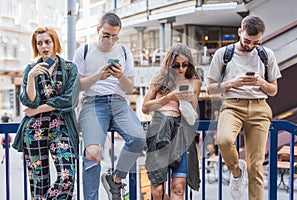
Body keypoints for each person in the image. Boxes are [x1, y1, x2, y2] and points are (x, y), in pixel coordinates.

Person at [206, 15, 281, 200]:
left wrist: (260, 82)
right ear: (239, 32)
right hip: (232, 105)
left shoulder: (267, 55)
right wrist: (231, 83)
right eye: (247, 40)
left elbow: (273, 90)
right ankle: (236, 173)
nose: (250, 45)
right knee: (223, 140)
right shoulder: (224, 54)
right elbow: (209, 88)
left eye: (256, 42)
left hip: (259, 108)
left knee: (255, 167)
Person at [72, 12, 146, 200]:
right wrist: (98, 75)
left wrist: (120, 76)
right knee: (93, 152)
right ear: (98, 30)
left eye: (115, 36)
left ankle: (116, 179)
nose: (110, 40)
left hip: (119, 102)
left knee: (139, 138)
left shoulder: (123, 52)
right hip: (93, 102)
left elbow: (130, 88)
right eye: (106, 35)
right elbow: (77, 86)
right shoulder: (84, 51)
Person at [12, 26, 80, 200]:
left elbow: (69, 100)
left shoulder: (70, 68)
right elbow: (29, 101)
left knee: (67, 177)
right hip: (34, 130)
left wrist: (39, 109)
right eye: (39, 43)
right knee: (38, 183)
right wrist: (31, 79)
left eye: (47, 42)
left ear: (55, 42)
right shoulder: (31, 68)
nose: (44, 46)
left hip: (62, 127)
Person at [142, 43, 201, 199]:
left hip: (181, 133)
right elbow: (145, 108)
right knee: (158, 191)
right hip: (159, 131)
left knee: (179, 188)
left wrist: (189, 97)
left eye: (185, 65)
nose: (181, 69)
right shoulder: (159, 80)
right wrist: (169, 97)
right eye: (176, 65)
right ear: (169, 64)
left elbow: (193, 110)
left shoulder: (194, 82)